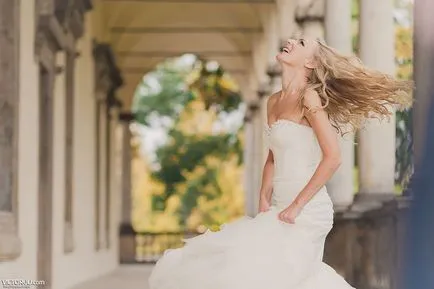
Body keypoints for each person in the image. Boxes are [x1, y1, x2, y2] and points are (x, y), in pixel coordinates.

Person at [148, 38, 413, 289]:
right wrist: (264, 198)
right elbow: (273, 157)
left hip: (308, 211)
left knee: (267, 275)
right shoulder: (273, 101)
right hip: (278, 208)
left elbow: (333, 157)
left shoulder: (309, 98)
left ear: (310, 63)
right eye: (293, 40)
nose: (290, 42)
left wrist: (297, 205)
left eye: (300, 43)